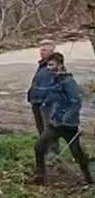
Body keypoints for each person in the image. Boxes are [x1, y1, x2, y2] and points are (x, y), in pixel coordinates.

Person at [34, 52, 92, 185]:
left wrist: (66, 119)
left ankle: (89, 179)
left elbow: (76, 101)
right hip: (55, 124)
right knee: (39, 147)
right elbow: (53, 96)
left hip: (68, 125)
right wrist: (45, 102)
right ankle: (40, 177)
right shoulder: (55, 80)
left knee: (77, 154)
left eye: (51, 65)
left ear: (60, 65)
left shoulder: (68, 81)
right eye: (48, 65)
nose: (49, 68)